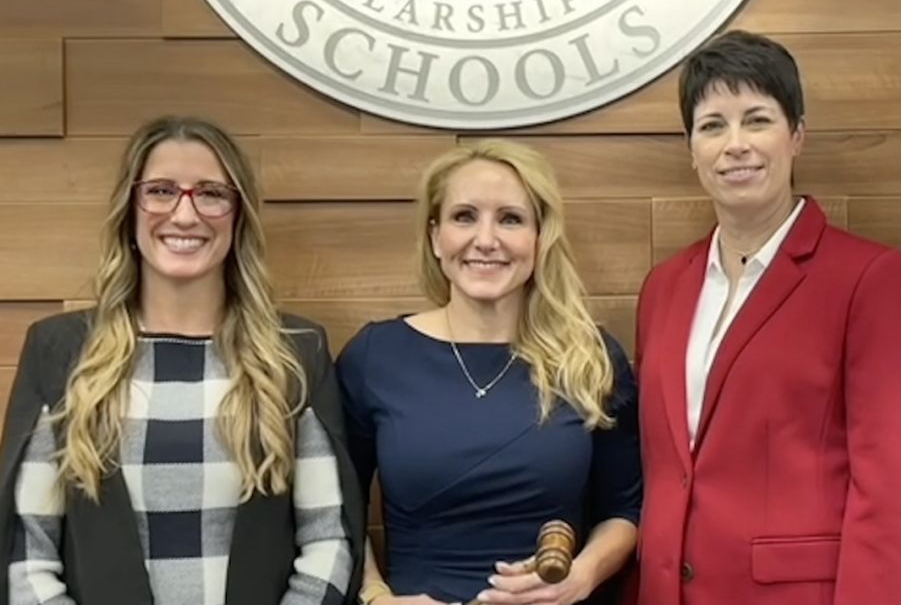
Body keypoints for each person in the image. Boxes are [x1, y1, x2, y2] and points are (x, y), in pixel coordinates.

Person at [0, 116, 364, 605]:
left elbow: (328, 541)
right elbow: (27, 556)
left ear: (238, 216)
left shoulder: (294, 353)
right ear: (130, 209)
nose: (185, 215)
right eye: (162, 190)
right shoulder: (61, 351)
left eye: (211, 193)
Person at [634, 29, 901, 605]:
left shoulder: (869, 278)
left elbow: (892, 490)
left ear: (797, 135)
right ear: (691, 148)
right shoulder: (664, 288)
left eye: (757, 120)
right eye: (712, 125)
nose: (735, 144)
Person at [337, 139, 641, 605]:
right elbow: (336, 510)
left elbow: (625, 509)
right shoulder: (375, 357)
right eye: (464, 216)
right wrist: (376, 596)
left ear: (540, 238)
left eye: (510, 219)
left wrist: (582, 575)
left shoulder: (591, 356)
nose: (486, 239)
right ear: (435, 236)